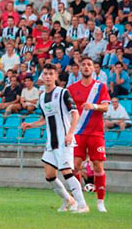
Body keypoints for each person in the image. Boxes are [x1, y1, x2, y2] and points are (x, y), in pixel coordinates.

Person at [22, 64, 89, 213]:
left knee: (66, 172)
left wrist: (71, 133)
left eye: (51, 73)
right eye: (45, 73)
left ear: (56, 76)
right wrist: (31, 125)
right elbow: (44, 118)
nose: (47, 76)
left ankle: (83, 205)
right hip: (51, 142)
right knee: (49, 175)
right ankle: (69, 201)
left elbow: (75, 113)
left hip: (64, 140)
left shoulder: (63, 93)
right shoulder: (42, 97)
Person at [68, 55, 110, 213]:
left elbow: (106, 108)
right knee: (75, 167)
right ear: (80, 68)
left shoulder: (100, 87)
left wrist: (94, 106)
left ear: (93, 68)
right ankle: (80, 201)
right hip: (78, 132)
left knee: (98, 166)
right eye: (83, 64)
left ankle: (100, 202)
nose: (86, 67)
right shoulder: (72, 88)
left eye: (89, 65)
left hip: (96, 133)